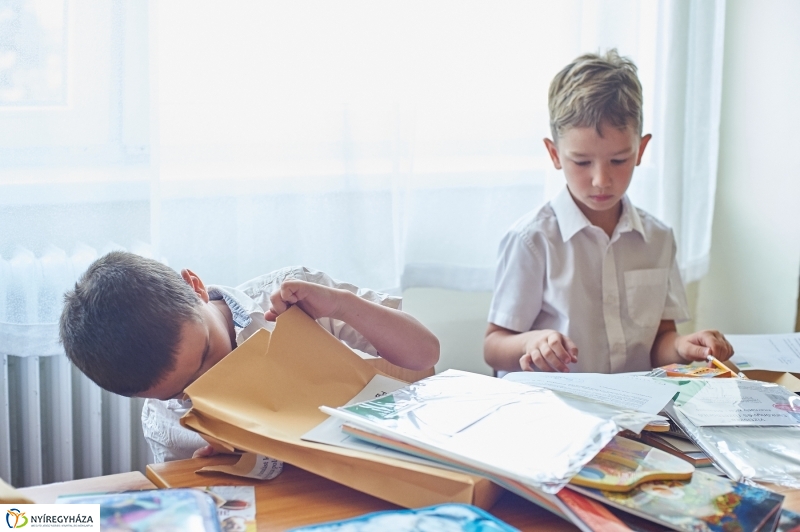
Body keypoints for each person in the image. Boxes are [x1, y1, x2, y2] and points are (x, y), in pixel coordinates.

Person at [484, 49, 733, 375]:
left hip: (633, 411)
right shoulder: (532, 240)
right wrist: (532, 342)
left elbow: (660, 340)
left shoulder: (657, 238)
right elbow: (493, 346)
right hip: (555, 409)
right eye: (582, 162)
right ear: (555, 153)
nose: (601, 180)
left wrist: (682, 346)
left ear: (640, 150)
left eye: (618, 160)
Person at [59, 251, 439, 462]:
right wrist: (214, 476)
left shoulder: (295, 299)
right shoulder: (165, 422)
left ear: (196, 288)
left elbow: (424, 354)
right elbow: (196, 502)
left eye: (207, 353)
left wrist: (341, 306)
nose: (209, 381)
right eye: (182, 392)